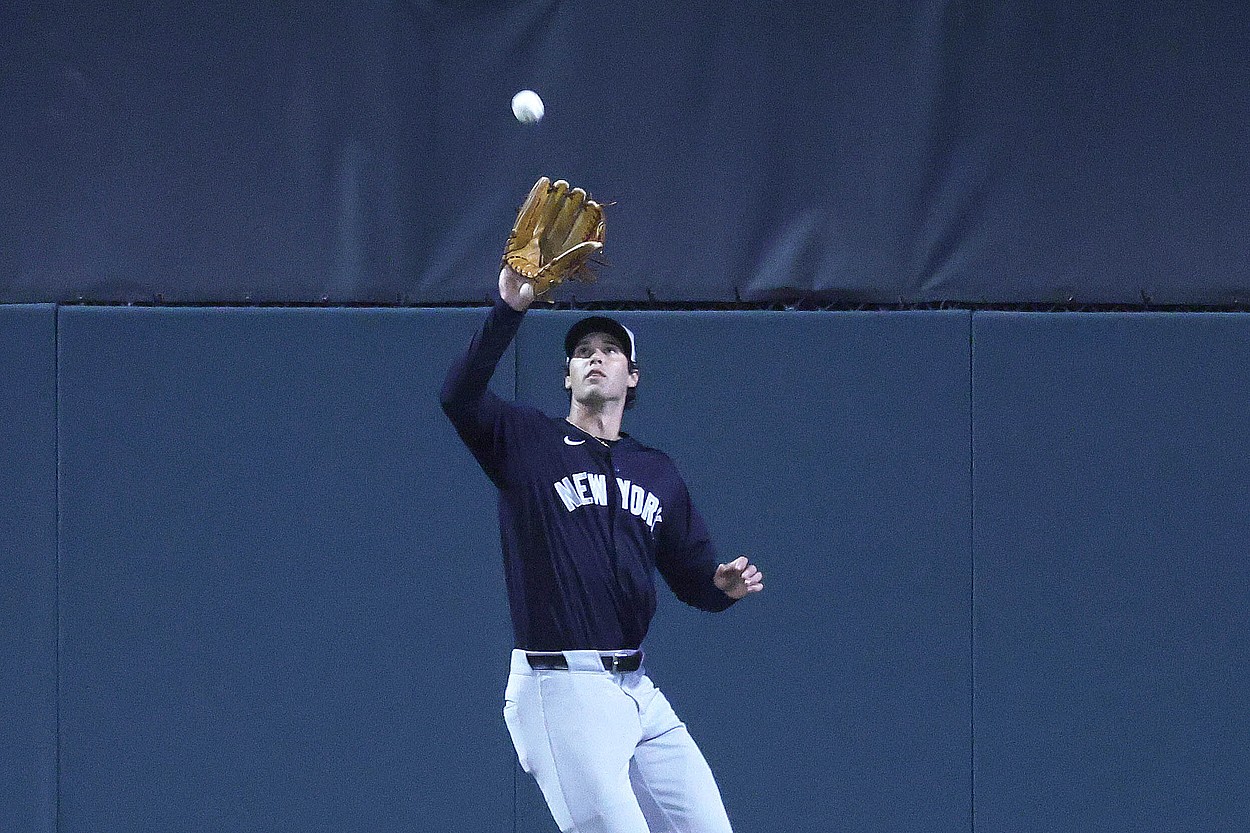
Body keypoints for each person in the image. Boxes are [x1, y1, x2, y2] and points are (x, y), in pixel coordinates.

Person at [440, 265, 764, 833]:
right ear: (567, 377)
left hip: (636, 689)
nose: (594, 357)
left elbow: (692, 577)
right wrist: (508, 309)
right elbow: (458, 396)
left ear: (632, 376)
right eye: (582, 352)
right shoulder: (528, 442)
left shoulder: (656, 471)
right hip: (559, 687)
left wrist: (721, 586)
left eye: (610, 351)